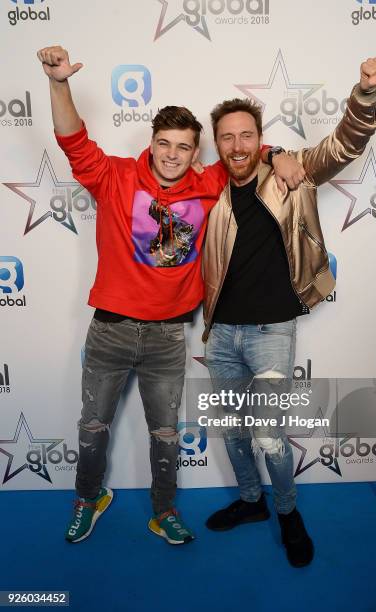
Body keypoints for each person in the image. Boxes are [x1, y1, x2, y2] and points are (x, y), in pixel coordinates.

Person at [36, 45, 303, 545]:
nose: (172, 154)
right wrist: (58, 83)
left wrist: (278, 152)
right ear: (152, 144)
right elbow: (72, 139)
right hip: (110, 330)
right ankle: (88, 498)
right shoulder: (114, 177)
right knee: (92, 428)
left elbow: (244, 152)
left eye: (183, 146)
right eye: (164, 143)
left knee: (165, 436)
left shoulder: (209, 182)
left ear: (196, 152)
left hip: (166, 338)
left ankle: (164, 511)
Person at [202, 57, 376, 566]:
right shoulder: (207, 192)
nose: (237, 146)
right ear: (216, 144)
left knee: (267, 433)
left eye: (248, 136)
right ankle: (250, 503)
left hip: (270, 331)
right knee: (235, 430)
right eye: (226, 137)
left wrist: (366, 94)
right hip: (220, 336)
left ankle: (287, 511)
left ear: (259, 139)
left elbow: (344, 144)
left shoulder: (291, 175)